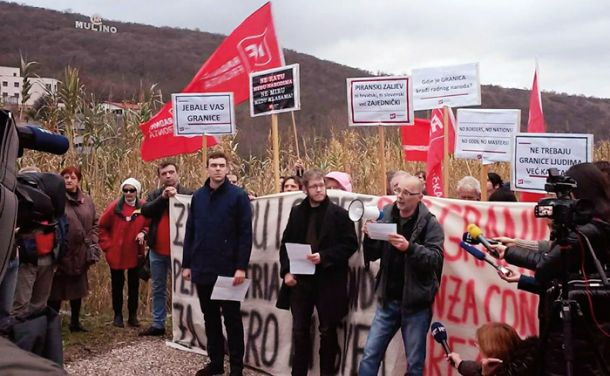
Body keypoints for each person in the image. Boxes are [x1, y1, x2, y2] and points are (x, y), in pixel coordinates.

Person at [488, 163, 610, 375]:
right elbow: (553, 254)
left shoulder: (585, 233)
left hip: (578, 334)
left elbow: (546, 268)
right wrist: (511, 249)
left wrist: (509, 253)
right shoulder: (599, 223)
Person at [359, 175, 444, 376]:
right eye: (398, 191)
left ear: (419, 197)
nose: (400, 196)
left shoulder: (430, 223)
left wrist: (409, 248)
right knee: (370, 355)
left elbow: (435, 259)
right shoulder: (387, 214)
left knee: (414, 364)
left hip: (416, 305)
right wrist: (369, 237)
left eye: (407, 193)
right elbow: (373, 254)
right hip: (388, 301)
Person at [277, 168, 358, 376]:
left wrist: (324, 256)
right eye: (314, 186)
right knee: (299, 331)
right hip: (301, 281)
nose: (319, 190)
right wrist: (286, 272)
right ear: (305, 189)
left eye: (321, 185)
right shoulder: (297, 212)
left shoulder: (339, 214)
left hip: (328, 280)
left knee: (328, 332)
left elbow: (350, 244)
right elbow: (286, 243)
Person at [182, 151, 252, 376]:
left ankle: (237, 367)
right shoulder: (198, 197)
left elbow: (245, 234)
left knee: (232, 319)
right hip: (202, 268)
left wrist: (241, 266)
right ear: (207, 169)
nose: (218, 169)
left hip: (229, 270)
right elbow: (190, 231)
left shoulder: (238, 196)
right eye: (214, 165)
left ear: (228, 168)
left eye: (222, 165)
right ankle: (215, 363)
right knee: (210, 317)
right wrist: (186, 264)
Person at [139, 161, 192, 336]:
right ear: (160, 177)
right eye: (164, 173)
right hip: (157, 251)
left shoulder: (187, 193)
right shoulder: (155, 194)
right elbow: (146, 211)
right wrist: (163, 198)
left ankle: (185, 325)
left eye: (171, 172)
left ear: (177, 173)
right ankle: (158, 324)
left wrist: (177, 198)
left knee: (184, 289)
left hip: (181, 253)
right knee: (158, 287)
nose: (168, 176)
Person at [48, 166, 99, 332]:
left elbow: (95, 223)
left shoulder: (87, 200)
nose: (69, 180)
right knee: (55, 291)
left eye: (72, 177)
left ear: (78, 180)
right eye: (65, 177)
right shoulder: (54, 199)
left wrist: (92, 240)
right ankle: (52, 326)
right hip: (61, 252)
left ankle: (75, 323)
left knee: (78, 288)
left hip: (80, 252)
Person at [12, 168, 66, 318]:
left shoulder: (51, 206)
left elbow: (62, 228)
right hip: (26, 260)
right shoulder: (20, 207)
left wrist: (59, 253)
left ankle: (36, 335)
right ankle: (16, 337)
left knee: (40, 304)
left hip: (48, 258)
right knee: (20, 303)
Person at [98, 178, 149, 328]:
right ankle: (118, 315)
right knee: (117, 284)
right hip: (117, 253)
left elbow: (150, 225)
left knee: (134, 285)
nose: (128, 193)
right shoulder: (114, 208)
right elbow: (101, 227)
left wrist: (144, 233)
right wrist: (108, 246)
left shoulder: (144, 207)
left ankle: (132, 316)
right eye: (125, 190)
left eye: (131, 190)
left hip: (135, 252)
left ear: (137, 191)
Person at [447, 322, 539, 376]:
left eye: (480, 345)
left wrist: (486, 374)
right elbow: (477, 369)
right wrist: (460, 364)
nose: (477, 346)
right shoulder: (519, 366)